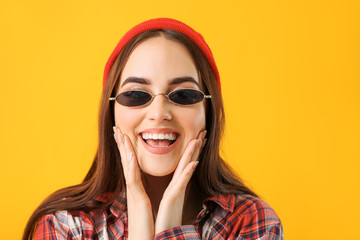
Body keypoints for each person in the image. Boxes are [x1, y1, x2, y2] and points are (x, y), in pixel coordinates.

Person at [23, 18, 283, 240]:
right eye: (136, 94)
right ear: (111, 112)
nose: (159, 113)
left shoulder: (250, 221)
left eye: (183, 94)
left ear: (209, 112)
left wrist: (171, 229)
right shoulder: (67, 227)